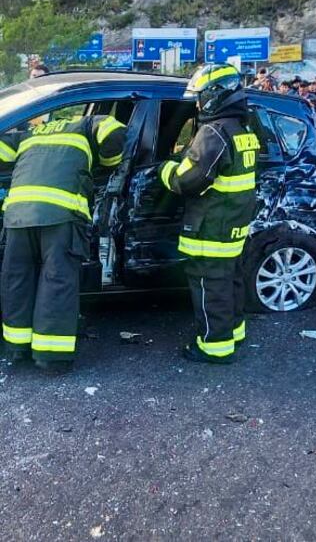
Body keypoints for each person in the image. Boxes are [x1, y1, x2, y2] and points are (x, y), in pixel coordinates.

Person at [0, 111, 127, 371]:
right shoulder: (88, 124)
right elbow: (115, 134)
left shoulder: (30, 133)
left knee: (17, 279)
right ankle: (51, 356)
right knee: (57, 280)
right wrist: (107, 161)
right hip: (61, 215)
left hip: (18, 215)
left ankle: (17, 348)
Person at [158, 64, 260, 364]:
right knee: (231, 280)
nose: (199, 104)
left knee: (209, 284)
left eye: (201, 97)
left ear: (216, 95)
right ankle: (233, 331)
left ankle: (214, 346)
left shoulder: (214, 132)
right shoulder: (244, 129)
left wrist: (165, 170)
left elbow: (187, 180)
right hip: (234, 222)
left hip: (212, 225)